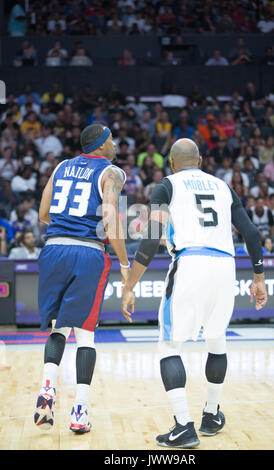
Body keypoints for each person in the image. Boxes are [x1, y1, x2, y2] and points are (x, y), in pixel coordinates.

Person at [122, 138, 267, 448]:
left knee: (168, 345)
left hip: (190, 262)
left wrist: (129, 285)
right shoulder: (223, 186)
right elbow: (252, 233)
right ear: (200, 160)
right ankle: (211, 415)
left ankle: (183, 426)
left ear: (172, 164)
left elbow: (150, 240)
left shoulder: (167, 184)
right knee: (217, 341)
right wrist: (259, 277)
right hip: (226, 266)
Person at [34, 124, 129, 433]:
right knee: (85, 335)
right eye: (111, 139)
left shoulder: (61, 166)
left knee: (57, 327)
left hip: (53, 248)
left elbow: (43, 213)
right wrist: (125, 262)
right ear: (101, 146)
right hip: (86, 253)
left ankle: (47, 388)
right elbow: (110, 217)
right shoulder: (111, 172)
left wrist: (67, 223)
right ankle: (79, 412)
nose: (115, 144)